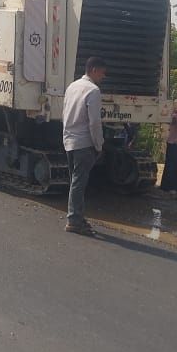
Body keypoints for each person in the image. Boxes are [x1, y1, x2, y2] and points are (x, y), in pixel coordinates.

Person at [62, 56, 108, 236]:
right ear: (94, 70)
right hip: (84, 143)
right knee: (79, 183)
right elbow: (95, 122)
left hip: (70, 141)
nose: (103, 77)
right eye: (103, 73)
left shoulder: (72, 87)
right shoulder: (93, 91)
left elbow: (65, 113)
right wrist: (99, 144)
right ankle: (74, 220)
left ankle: (77, 217)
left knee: (75, 182)